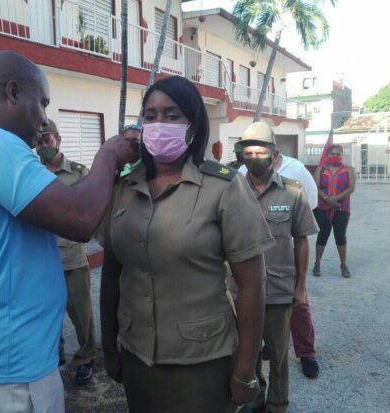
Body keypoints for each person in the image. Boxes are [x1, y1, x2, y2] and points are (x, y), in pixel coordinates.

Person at [0, 50, 137, 413]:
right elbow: (81, 217)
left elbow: (60, 203)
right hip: (6, 374)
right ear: (12, 92)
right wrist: (107, 155)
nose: (44, 119)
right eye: (41, 103)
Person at [99, 76, 276, 413]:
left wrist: (245, 370)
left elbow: (252, 285)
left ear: (193, 126)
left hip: (204, 363)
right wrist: (109, 346)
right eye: (149, 116)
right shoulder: (123, 187)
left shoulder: (224, 188)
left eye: (172, 115)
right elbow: (112, 274)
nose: (158, 124)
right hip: (138, 358)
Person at [238, 122, 319, 413]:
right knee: (247, 352)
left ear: (274, 155)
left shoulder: (293, 192)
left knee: (280, 355)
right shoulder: (231, 191)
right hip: (240, 292)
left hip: (279, 289)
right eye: (248, 152)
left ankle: (277, 404)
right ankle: (256, 396)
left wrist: (301, 287)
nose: (253, 157)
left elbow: (302, 240)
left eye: (260, 151)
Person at [35, 119, 96, 385]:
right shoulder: (31, 172)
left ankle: (86, 357)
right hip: (41, 258)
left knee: (81, 314)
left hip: (71, 257)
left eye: (47, 140)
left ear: (58, 140)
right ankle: (55, 355)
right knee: (47, 314)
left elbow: (91, 209)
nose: (43, 147)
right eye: (39, 142)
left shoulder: (79, 173)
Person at [312, 144, 356, 278]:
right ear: (327, 155)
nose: (335, 156)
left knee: (340, 236)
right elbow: (316, 187)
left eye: (338, 154)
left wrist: (335, 199)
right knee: (323, 234)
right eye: (332, 154)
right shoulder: (321, 170)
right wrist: (326, 198)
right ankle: (317, 264)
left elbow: (351, 188)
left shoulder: (349, 170)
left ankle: (343, 265)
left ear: (342, 156)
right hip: (321, 207)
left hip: (342, 207)